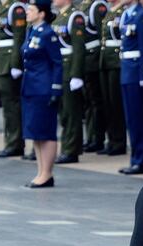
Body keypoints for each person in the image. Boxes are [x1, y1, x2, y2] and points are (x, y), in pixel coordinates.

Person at [20, 0, 63, 188]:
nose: (27, 12)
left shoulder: (48, 34)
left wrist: (55, 88)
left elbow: (57, 63)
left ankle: (47, 173)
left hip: (43, 88)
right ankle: (41, 171)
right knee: (36, 133)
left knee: (46, 132)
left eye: (31, 10)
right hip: (31, 87)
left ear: (42, 14)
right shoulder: (32, 31)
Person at [118, 0, 143, 175]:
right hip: (127, 70)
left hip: (135, 72)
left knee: (139, 118)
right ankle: (136, 157)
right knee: (131, 119)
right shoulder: (126, 14)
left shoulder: (142, 16)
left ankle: (142, 160)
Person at [52, 0, 87, 165]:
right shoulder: (59, 17)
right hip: (60, 70)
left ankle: (71, 150)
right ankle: (66, 146)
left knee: (72, 113)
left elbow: (79, 48)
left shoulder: (75, 17)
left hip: (69, 69)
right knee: (64, 114)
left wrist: (76, 74)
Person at [0, 0, 28, 159]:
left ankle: (15, 143)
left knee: (12, 104)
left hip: (8, 61)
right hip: (1, 59)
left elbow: (19, 38)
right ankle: (11, 141)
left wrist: (15, 64)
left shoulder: (16, 8)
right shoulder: (1, 6)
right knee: (7, 105)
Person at [98, 0, 128, 156]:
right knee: (108, 103)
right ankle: (111, 140)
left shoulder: (122, 11)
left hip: (116, 61)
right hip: (106, 61)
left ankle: (119, 141)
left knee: (116, 104)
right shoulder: (110, 11)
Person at [79, 0, 109, 155]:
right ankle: (91, 136)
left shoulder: (97, 6)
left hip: (94, 58)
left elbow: (101, 33)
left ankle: (98, 138)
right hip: (86, 59)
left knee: (97, 102)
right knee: (89, 102)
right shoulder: (85, 5)